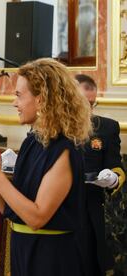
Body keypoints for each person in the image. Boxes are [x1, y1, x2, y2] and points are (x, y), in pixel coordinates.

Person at [0, 58, 93, 276]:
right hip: (24, 248)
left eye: (19, 95)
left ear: (41, 100)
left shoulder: (64, 149)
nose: (15, 103)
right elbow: (11, 210)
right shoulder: (32, 142)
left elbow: (36, 217)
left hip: (52, 257)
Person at [75, 74, 125, 275]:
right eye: (82, 102)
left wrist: (112, 179)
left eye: (91, 103)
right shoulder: (55, 126)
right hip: (58, 208)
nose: (87, 108)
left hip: (91, 208)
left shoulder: (107, 127)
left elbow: (116, 167)